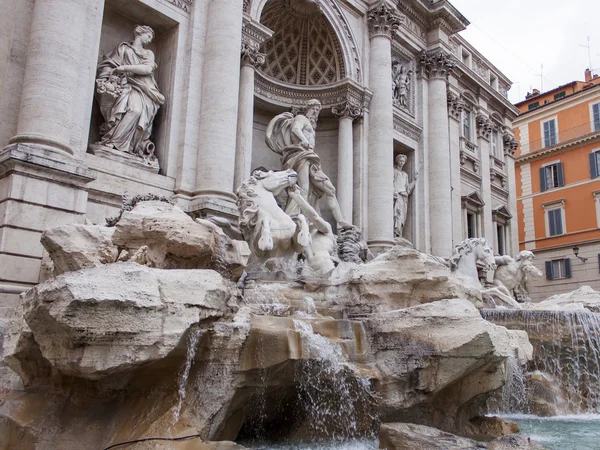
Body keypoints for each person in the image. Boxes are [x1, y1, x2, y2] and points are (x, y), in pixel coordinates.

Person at [265, 99, 349, 229]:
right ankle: (299, 219)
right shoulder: (301, 118)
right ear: (307, 108)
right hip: (300, 154)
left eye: (317, 110)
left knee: (330, 189)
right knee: (304, 188)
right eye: (314, 109)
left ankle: (341, 222)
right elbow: (295, 129)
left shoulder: (310, 125)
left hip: (311, 158)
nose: (316, 112)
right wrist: (304, 140)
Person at [95, 25, 165, 159]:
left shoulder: (148, 53)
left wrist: (124, 67)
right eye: (148, 36)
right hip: (124, 84)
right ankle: (113, 141)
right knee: (126, 109)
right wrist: (110, 74)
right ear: (140, 33)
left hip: (143, 88)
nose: (150, 40)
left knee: (136, 110)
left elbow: (147, 69)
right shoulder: (123, 49)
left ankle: (124, 144)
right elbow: (108, 64)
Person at [393, 154, 417, 238]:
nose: (402, 163)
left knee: (402, 217)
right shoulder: (393, 171)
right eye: (400, 161)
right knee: (397, 215)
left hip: (404, 197)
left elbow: (408, 189)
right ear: (397, 161)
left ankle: (399, 234)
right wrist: (394, 192)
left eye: (403, 161)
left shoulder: (405, 175)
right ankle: (395, 233)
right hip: (397, 196)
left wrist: (414, 180)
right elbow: (390, 183)